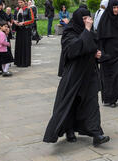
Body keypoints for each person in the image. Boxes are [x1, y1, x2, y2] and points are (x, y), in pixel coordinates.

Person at [43, 8, 110, 146]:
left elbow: (93, 47)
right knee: (71, 102)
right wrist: (86, 31)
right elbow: (73, 49)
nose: (87, 21)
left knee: (92, 103)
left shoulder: (90, 32)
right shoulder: (69, 32)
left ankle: (96, 133)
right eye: (84, 18)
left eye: (88, 18)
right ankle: (69, 129)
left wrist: (98, 54)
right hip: (74, 74)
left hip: (89, 73)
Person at [13, 0, 34, 68]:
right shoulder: (16, 9)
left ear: (25, 2)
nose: (20, 4)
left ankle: (25, 62)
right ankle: (18, 61)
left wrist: (24, 23)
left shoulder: (28, 9)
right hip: (19, 30)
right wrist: (15, 21)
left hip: (26, 30)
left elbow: (32, 20)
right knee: (19, 45)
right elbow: (14, 18)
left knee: (25, 45)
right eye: (19, 2)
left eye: (21, 2)